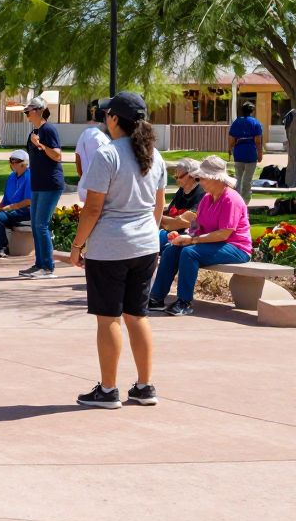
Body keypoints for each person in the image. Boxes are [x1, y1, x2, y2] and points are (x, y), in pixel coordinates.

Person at [69, 92, 167, 409]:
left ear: (114, 119)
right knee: (137, 316)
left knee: (108, 318)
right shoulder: (155, 156)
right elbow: (158, 205)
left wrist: (77, 244)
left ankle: (108, 390)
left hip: (110, 247)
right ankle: (144, 386)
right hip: (145, 245)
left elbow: (93, 209)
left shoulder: (108, 154)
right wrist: (149, 234)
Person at [148, 155, 252, 316]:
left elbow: (224, 234)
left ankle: (184, 302)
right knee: (171, 249)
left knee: (190, 253)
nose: (200, 181)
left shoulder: (231, 199)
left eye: (202, 178)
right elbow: (197, 225)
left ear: (215, 178)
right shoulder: (206, 199)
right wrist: (182, 236)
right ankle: (156, 298)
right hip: (213, 244)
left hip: (236, 247)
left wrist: (192, 240)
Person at [21, 97, 64, 278]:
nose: (26, 115)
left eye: (28, 112)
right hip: (37, 185)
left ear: (38, 110)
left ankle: (47, 267)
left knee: (41, 224)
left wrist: (40, 144)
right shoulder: (35, 131)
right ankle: (39, 264)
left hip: (50, 184)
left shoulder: (48, 130)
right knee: (36, 225)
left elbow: (57, 155)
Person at [0, 150, 32, 258]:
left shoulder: (30, 177)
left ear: (24, 163)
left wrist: (9, 208)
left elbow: (29, 201)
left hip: (25, 210)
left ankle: (2, 248)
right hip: (11, 209)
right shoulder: (11, 177)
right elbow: (6, 199)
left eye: (15, 161)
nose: (12, 163)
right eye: (11, 160)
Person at [159, 157, 204, 248]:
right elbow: (170, 215)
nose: (177, 180)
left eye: (180, 177)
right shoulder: (182, 190)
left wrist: (155, 216)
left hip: (186, 237)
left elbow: (183, 222)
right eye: (175, 177)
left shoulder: (201, 193)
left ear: (192, 175)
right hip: (171, 233)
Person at [75, 101, 110, 204]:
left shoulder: (87, 133)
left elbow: (78, 159)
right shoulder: (101, 137)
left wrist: (84, 178)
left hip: (87, 186)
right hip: (101, 190)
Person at [228, 101, 263, 203]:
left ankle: (236, 201)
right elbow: (257, 141)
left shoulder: (236, 122)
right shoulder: (255, 123)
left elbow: (231, 140)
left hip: (238, 153)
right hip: (251, 154)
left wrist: (229, 150)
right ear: (252, 111)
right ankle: (245, 202)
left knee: (238, 178)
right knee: (247, 180)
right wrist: (260, 153)